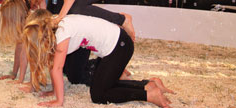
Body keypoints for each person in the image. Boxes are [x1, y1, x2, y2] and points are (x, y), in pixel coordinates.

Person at [22, 9, 174, 107]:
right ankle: (149, 84)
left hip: (120, 47)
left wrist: (59, 101)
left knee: (99, 95)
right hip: (114, 48)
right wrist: (54, 91)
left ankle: (148, 94)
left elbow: (57, 68)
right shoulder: (55, 25)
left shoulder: (62, 32)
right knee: (105, 84)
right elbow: (53, 63)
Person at [0, 0, 31, 84]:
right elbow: (19, 50)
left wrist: (20, 80)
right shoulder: (21, 23)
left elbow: (26, 55)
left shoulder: (30, 24)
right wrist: (14, 74)